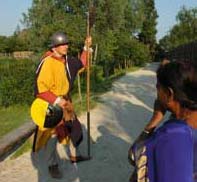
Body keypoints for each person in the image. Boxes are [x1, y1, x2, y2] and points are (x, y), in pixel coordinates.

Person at [32, 31, 92, 179]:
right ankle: (52, 165)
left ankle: (73, 156)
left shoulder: (66, 60)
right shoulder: (47, 62)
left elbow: (81, 64)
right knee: (51, 137)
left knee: (73, 128)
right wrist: (58, 101)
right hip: (52, 106)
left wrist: (86, 48)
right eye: (61, 44)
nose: (66, 46)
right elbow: (41, 90)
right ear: (54, 47)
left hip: (66, 102)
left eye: (66, 44)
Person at [129, 61, 197, 182]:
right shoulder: (186, 125)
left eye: (158, 88)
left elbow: (133, 156)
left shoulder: (171, 136)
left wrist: (155, 118)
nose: (157, 94)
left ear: (169, 94)